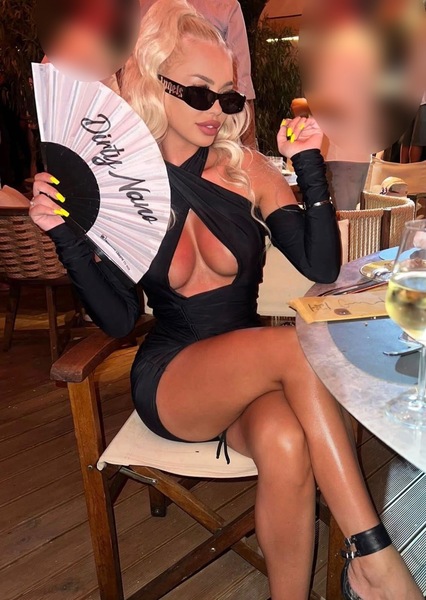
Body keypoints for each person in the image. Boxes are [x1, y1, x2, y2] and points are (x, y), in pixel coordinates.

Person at [29, 1, 422, 598]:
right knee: (297, 346)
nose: (218, 110)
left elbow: (319, 265)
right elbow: (120, 317)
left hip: (255, 375)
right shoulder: (117, 185)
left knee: (287, 442)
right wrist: (66, 236)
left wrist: (308, 164)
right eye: (199, 92)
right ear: (153, 81)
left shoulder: (248, 171)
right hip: (175, 379)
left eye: (229, 96)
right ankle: (374, 559)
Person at [139, 0, 257, 147]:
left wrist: (250, 151)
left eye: (226, 97)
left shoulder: (225, 7)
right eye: (199, 93)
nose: (217, 110)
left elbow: (243, 90)